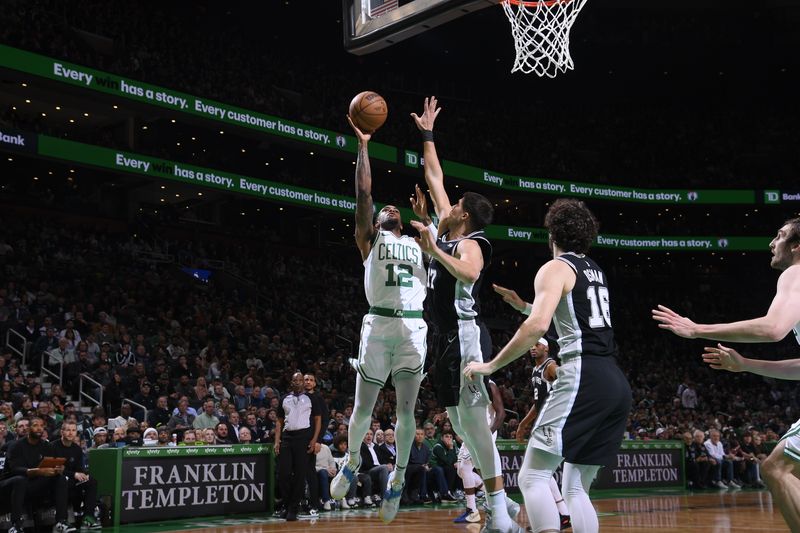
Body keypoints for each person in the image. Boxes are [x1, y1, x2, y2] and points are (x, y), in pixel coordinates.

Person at [465, 198, 632, 533]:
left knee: (533, 476)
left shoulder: (554, 268)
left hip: (582, 374)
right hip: (614, 380)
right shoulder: (595, 269)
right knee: (574, 486)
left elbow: (540, 326)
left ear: (552, 233)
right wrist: (525, 305)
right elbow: (572, 322)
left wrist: (491, 364)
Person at [409, 96, 518, 533]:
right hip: (444, 338)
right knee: (461, 425)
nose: (446, 203)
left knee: (473, 423)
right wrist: (428, 134)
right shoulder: (444, 227)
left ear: (464, 215)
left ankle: (500, 512)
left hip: (466, 336)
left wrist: (433, 247)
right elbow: (434, 175)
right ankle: (501, 503)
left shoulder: (470, 243)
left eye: (454, 205)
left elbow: (470, 272)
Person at [652, 217, 800, 529]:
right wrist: (747, 364)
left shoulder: (795, 273)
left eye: (781, 235)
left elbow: (773, 328)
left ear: (797, 246)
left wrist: (697, 329)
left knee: (775, 469)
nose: (772, 243)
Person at [330, 114, 428, 525]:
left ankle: (399, 480)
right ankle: (351, 462)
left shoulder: (421, 243)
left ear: (403, 218)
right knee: (362, 410)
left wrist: (431, 220)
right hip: (378, 325)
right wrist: (364, 146)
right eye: (382, 209)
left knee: (407, 415)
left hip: (414, 327)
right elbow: (364, 194)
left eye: (395, 208)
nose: (388, 207)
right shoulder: (370, 238)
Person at [4, 416, 73, 532]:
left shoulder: (47, 446)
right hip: (11, 484)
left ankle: (61, 521)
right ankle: (15, 525)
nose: (39, 428)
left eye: (41, 426)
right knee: (20, 480)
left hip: (35, 484)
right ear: (28, 429)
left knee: (60, 479)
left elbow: (52, 465)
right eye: (35, 425)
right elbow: (14, 470)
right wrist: (38, 471)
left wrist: (58, 469)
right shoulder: (16, 446)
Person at [275, 372, 321, 521]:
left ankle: (293, 508)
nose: (298, 382)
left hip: (304, 438)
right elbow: (279, 421)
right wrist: (277, 441)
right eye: (295, 380)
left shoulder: (311, 398)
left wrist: (314, 439)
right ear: (292, 382)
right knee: (283, 474)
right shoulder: (284, 398)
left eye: (301, 380)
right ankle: (287, 504)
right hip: (287, 438)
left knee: (300, 475)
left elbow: (318, 420)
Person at [48, 420, 101, 529]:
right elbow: (54, 469)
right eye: (68, 430)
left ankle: (88, 518)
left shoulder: (76, 449)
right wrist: (74, 474)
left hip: (71, 480)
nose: (71, 433)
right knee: (62, 479)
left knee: (91, 481)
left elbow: (79, 468)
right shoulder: (52, 446)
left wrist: (84, 474)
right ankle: (61, 521)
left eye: (73, 430)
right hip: (55, 481)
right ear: (62, 432)